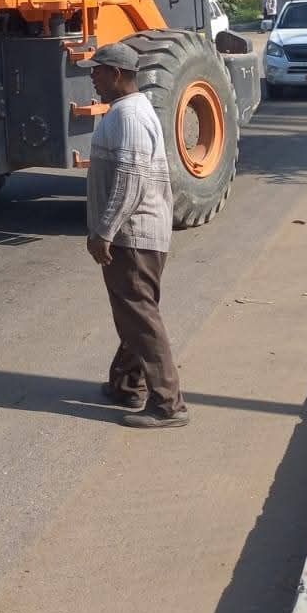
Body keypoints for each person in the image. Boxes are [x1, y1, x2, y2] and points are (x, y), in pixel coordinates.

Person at [85, 41, 189, 429]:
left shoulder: (127, 116)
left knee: (140, 318)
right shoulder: (130, 110)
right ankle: (126, 385)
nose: (92, 77)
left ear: (117, 74)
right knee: (133, 312)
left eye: (97, 70)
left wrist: (105, 231)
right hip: (142, 233)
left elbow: (131, 181)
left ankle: (168, 405)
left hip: (133, 234)